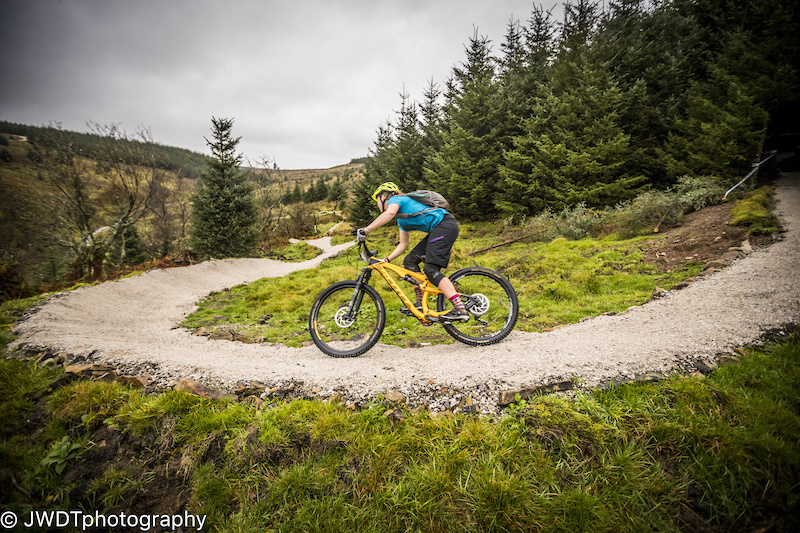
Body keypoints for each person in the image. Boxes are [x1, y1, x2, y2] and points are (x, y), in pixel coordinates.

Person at [357, 182, 469, 322]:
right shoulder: (401, 219)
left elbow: (389, 212)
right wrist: (386, 260)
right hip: (438, 229)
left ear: (384, 196)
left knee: (430, 269)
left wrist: (366, 230)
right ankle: (421, 303)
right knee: (409, 261)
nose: (378, 205)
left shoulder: (397, 199)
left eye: (377, 200)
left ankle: (460, 309)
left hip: (445, 225)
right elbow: (403, 244)